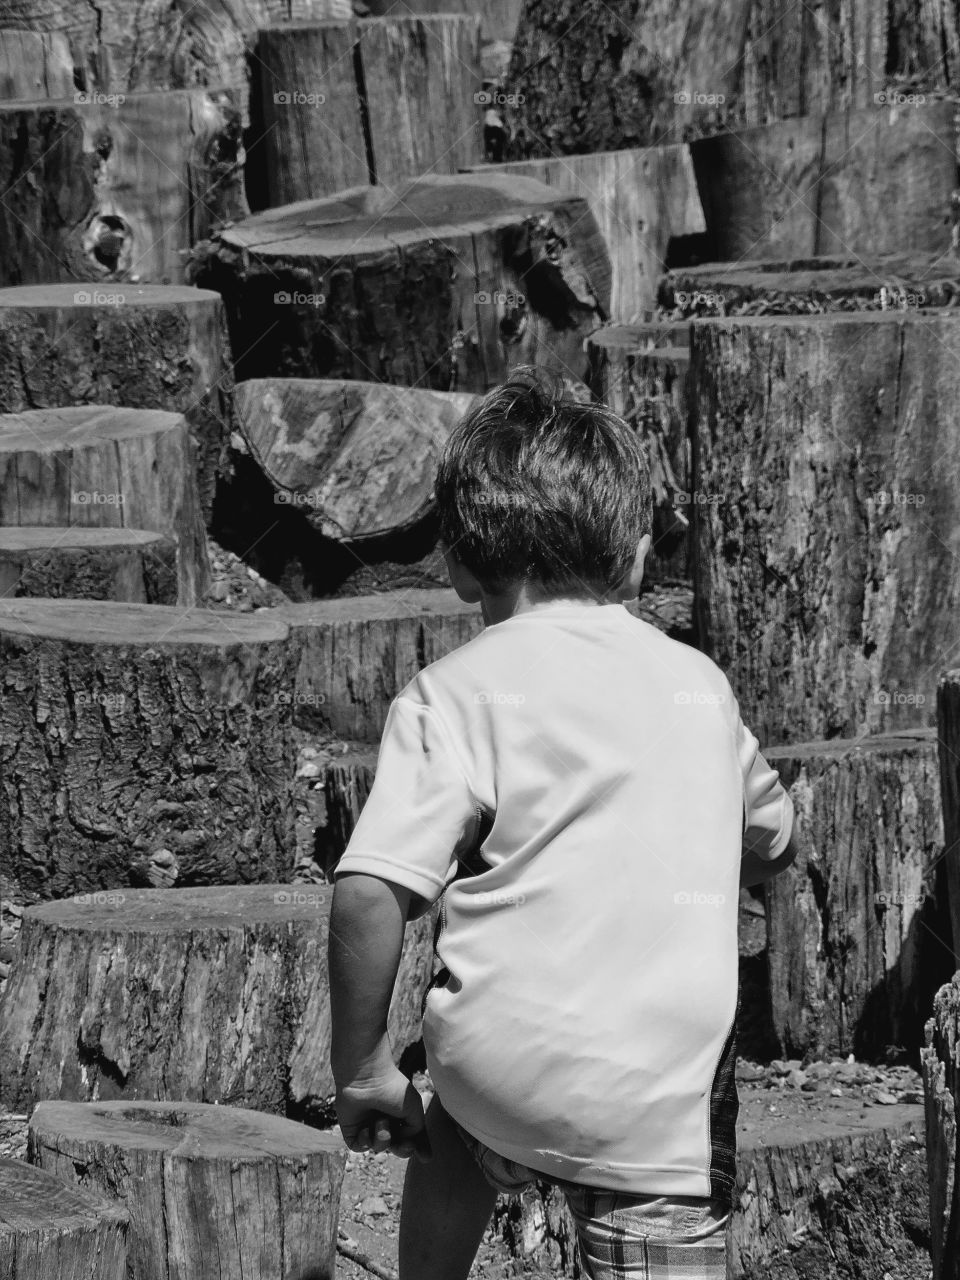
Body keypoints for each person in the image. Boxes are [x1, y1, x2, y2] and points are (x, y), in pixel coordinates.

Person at [328, 369, 797, 1279]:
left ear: (459, 562)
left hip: (496, 1082)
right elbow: (775, 837)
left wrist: (364, 1068)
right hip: (651, 1112)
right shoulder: (697, 684)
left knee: (457, 1116)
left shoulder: (452, 695)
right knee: (675, 1154)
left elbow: (369, 891)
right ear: (631, 559)